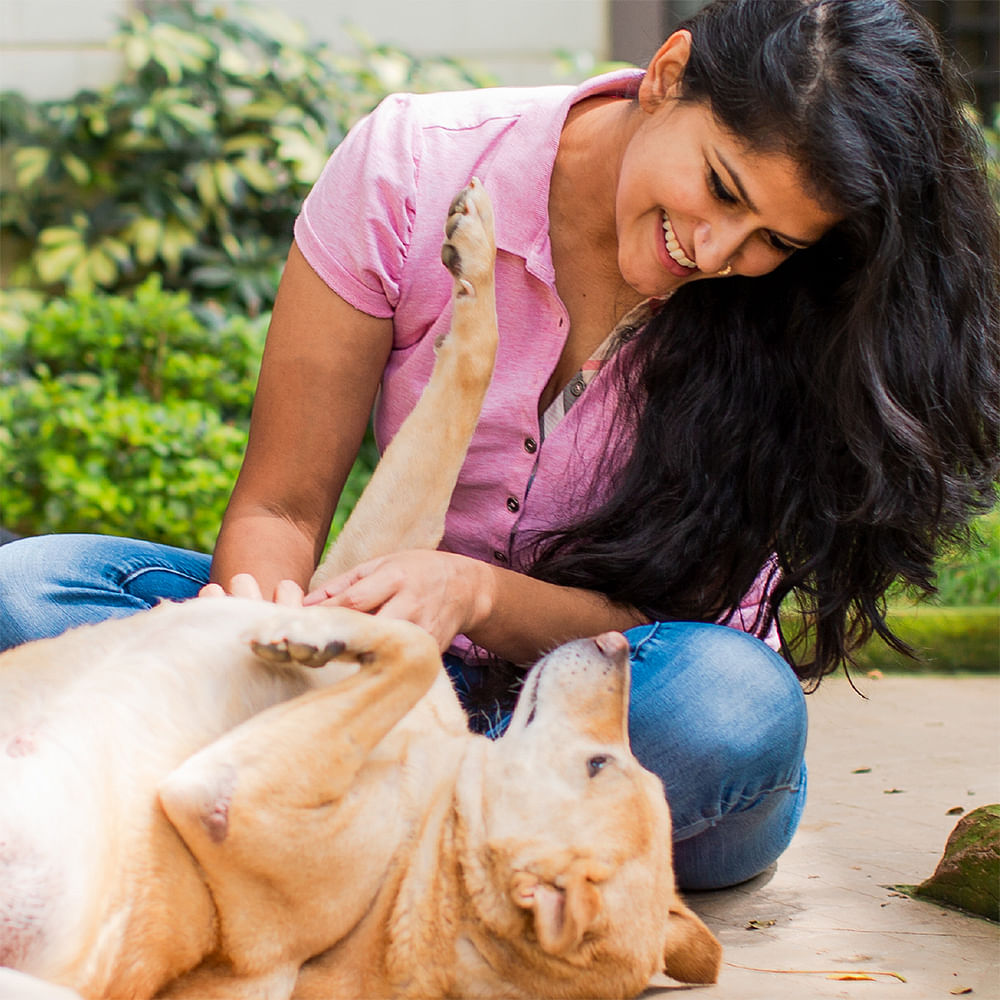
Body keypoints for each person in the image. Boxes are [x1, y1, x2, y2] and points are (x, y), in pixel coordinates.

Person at [1, 0, 996, 891]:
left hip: (608, 719)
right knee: (31, 593)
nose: (722, 253)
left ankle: (334, 816)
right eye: (722, 189)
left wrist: (474, 593)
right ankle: (399, 830)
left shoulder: (797, 316)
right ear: (665, 73)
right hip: (381, 672)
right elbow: (281, 511)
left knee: (731, 715)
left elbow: (707, 638)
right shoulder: (412, 168)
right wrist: (262, 654)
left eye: (775, 238)